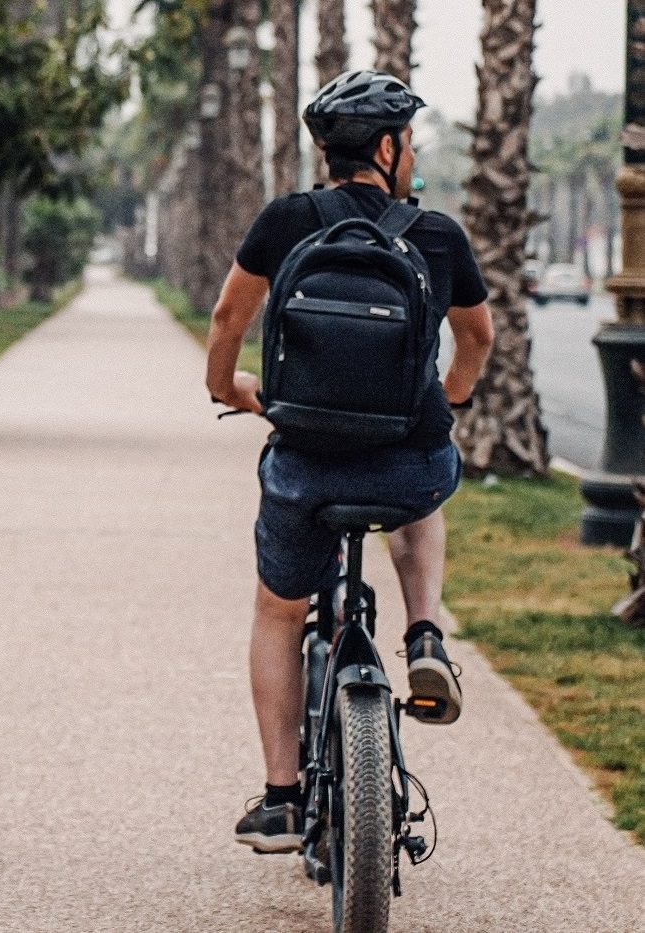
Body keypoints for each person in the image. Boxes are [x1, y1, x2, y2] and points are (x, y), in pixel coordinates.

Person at [203, 70, 495, 854]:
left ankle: (279, 799)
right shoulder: (435, 232)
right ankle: (425, 631)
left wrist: (226, 386)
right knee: (425, 479)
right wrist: (444, 400)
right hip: (406, 463)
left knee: (279, 607)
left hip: (305, 465)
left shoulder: (287, 219)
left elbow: (230, 314)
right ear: (391, 147)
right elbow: (477, 340)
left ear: (327, 152)